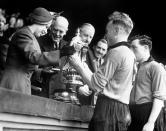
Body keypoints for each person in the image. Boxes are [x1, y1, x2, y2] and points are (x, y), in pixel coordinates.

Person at [69, 11, 135, 131]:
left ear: (116, 30)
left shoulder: (116, 52)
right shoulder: (130, 53)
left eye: (107, 31)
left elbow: (96, 85)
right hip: (122, 110)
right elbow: (97, 79)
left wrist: (77, 65)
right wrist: (82, 64)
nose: (106, 35)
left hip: (108, 110)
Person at [0, 7, 75, 95]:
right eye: (46, 27)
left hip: (22, 84)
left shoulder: (31, 36)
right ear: (40, 23)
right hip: (13, 84)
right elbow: (34, 57)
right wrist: (61, 52)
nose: (46, 32)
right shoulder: (23, 34)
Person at [128, 35, 166, 131]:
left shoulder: (156, 67)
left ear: (145, 48)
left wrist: (150, 122)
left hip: (148, 114)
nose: (131, 50)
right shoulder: (135, 67)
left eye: (134, 47)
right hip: (133, 115)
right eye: (130, 47)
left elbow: (159, 98)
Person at [31, 15, 70, 97]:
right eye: (55, 30)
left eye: (61, 32)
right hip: (39, 90)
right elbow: (27, 67)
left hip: (58, 93)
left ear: (66, 32)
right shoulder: (38, 41)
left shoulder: (67, 46)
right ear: (51, 27)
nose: (57, 34)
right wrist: (41, 71)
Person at [60, 23, 95, 105]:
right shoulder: (71, 45)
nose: (88, 39)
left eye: (91, 37)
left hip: (78, 95)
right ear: (79, 33)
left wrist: (86, 84)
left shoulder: (88, 52)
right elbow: (66, 71)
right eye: (86, 35)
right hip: (65, 92)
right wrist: (78, 87)